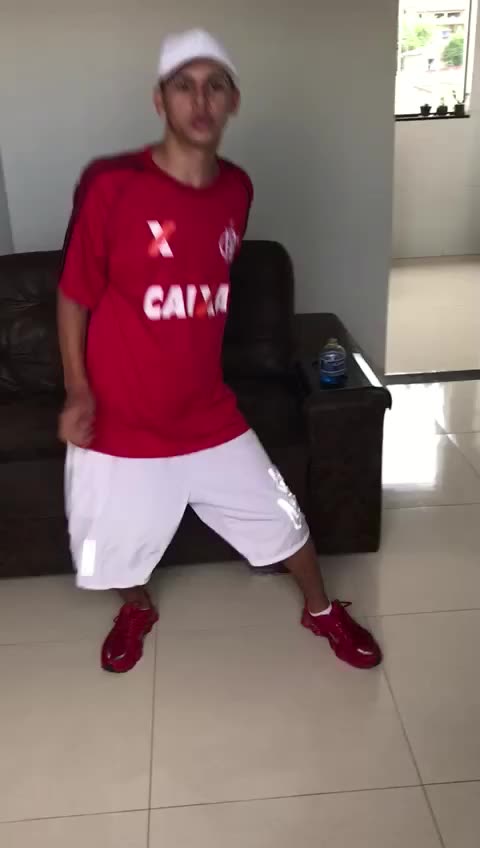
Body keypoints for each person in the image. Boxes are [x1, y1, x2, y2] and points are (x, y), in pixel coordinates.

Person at [58, 28, 381, 674]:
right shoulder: (111, 185)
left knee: (285, 521)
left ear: (234, 100)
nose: (200, 100)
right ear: (160, 101)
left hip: (207, 415)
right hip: (120, 421)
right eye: (184, 86)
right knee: (109, 551)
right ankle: (136, 607)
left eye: (215, 86)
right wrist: (78, 390)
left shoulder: (238, 189)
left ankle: (320, 609)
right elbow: (73, 295)